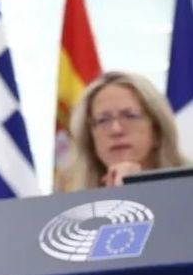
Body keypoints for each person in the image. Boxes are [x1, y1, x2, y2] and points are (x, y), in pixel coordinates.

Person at [60, 70, 190, 192]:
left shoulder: (187, 192)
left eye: (130, 116)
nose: (116, 130)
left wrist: (136, 188)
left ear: (157, 130)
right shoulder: (69, 202)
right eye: (103, 120)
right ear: (90, 137)